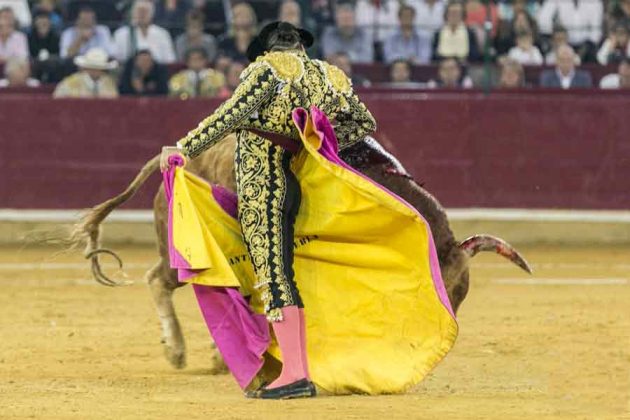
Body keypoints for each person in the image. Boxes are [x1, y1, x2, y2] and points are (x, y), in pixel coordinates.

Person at [160, 21, 378, 399]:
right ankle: (296, 368)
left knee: (274, 277)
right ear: (300, 46)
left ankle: (295, 374)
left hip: (263, 182)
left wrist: (184, 146)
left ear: (267, 48)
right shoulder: (329, 77)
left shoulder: (266, 70)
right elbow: (363, 122)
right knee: (283, 274)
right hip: (293, 182)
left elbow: (229, 114)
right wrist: (313, 141)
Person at [113, 0, 176, 64]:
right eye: (139, 11)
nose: (142, 15)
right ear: (133, 13)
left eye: (145, 11)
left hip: (158, 71)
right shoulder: (121, 34)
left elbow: (170, 59)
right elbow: (117, 59)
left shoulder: (162, 34)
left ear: (152, 14)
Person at [537, 0, 603, 61]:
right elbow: (543, 20)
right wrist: (555, 34)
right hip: (564, 40)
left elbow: (596, 30)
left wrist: (582, 51)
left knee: (591, 50)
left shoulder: (595, 2)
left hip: (586, 45)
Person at [53, 47, 118, 98]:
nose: (95, 71)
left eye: (98, 68)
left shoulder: (109, 83)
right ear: (86, 68)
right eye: (92, 67)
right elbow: (58, 100)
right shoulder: (70, 83)